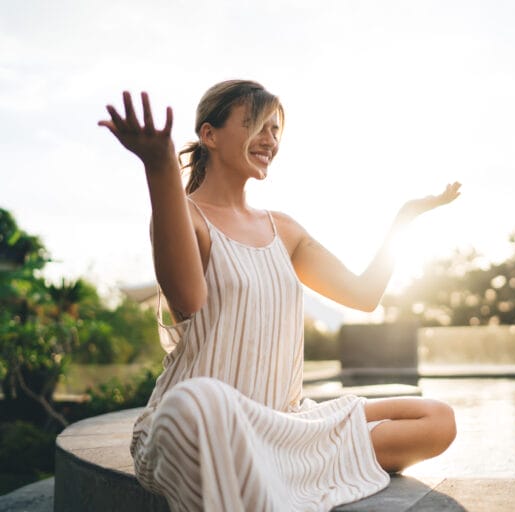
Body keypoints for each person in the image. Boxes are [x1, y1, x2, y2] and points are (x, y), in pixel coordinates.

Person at [98, 80, 460, 511]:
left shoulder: (283, 230)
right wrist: (158, 168)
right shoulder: (185, 218)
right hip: (197, 424)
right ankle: (278, 474)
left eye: (275, 129)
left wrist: (404, 219)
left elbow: (364, 296)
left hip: (287, 428)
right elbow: (190, 301)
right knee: (200, 400)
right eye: (257, 124)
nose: (270, 138)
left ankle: (279, 469)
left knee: (437, 418)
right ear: (209, 135)